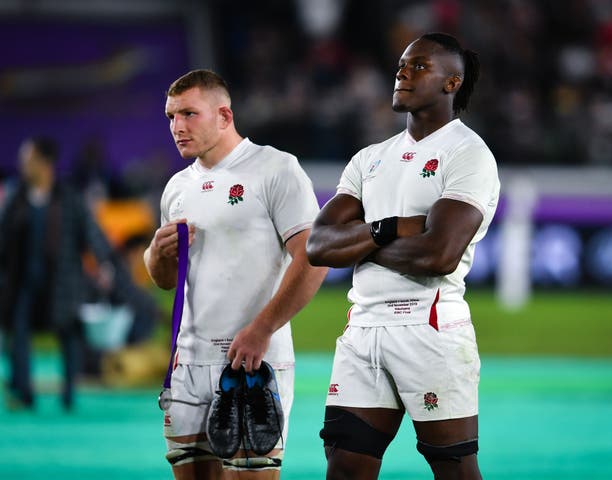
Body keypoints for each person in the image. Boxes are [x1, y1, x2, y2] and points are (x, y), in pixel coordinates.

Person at [306, 32, 500, 479]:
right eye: (400, 65)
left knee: (453, 468)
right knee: (345, 464)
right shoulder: (371, 158)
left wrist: (360, 246)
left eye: (418, 66)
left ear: (452, 83)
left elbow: (439, 254)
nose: (402, 73)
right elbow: (317, 246)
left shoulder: (468, 154)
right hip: (364, 328)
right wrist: (390, 228)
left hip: (428, 325)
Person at [144, 69, 327, 480]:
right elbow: (164, 279)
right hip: (187, 365)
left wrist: (262, 329)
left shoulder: (275, 169)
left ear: (224, 116)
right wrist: (157, 254)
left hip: (252, 362)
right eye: (171, 116)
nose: (177, 127)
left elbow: (313, 259)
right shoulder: (176, 187)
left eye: (189, 114)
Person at [0, 136, 116, 410]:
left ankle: (68, 392)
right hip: (23, 281)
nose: (23, 165)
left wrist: (103, 264)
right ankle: (22, 391)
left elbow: (91, 232)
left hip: (63, 280)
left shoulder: (69, 196)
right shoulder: (15, 196)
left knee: (69, 334)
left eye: (29, 159)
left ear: (45, 162)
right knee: (17, 332)